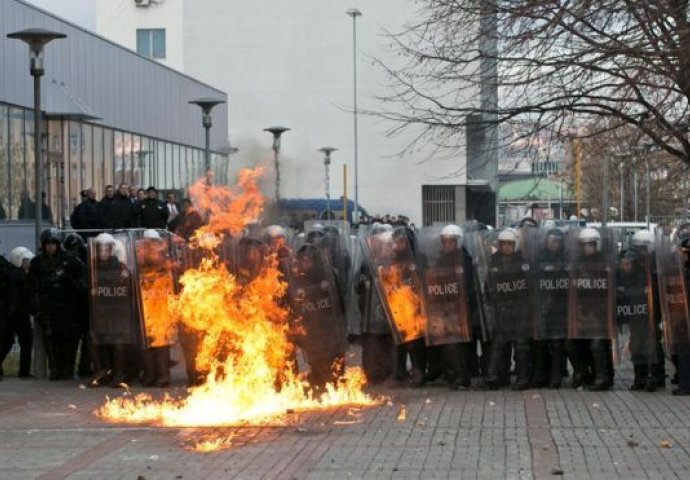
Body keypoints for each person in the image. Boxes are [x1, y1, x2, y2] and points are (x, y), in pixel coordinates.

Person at [423, 224, 475, 390]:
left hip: (458, 309)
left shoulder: (464, 260)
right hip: (443, 309)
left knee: (456, 345)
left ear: (458, 242)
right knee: (446, 344)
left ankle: (461, 376)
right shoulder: (440, 261)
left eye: (450, 242)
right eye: (444, 242)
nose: (446, 245)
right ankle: (451, 374)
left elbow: (468, 286)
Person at [27, 229, 83, 380]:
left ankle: (67, 368)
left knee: (67, 337)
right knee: (50, 338)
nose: (50, 247)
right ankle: (55, 368)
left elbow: (80, 278)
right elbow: (31, 286)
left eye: (53, 244)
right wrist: (34, 308)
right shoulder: (37, 262)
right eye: (48, 244)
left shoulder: (68, 260)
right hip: (46, 305)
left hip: (65, 305)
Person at [481, 228, 533, 390]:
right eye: (503, 244)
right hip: (502, 312)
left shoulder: (523, 263)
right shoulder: (493, 262)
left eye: (510, 244)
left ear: (515, 245)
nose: (506, 247)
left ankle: (523, 379)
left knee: (521, 346)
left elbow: (530, 288)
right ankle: (493, 377)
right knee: (498, 345)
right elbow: (488, 287)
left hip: (520, 311)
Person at [568, 228, 615, 391]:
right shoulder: (576, 264)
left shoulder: (604, 264)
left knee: (597, 345)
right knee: (571, 344)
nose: (588, 248)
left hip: (599, 313)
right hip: (581, 313)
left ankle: (602, 377)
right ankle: (582, 373)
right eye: (584, 245)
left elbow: (610, 290)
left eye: (591, 244)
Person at [88, 233, 137, 387]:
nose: (103, 252)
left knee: (118, 343)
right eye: (100, 248)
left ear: (111, 249)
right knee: (97, 342)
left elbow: (128, 284)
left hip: (118, 310)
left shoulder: (120, 266)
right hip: (100, 312)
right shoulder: (91, 267)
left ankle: (120, 374)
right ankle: (102, 372)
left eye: (106, 248)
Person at [137, 229, 175, 388]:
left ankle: (163, 375)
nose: (150, 246)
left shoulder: (165, 261)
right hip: (145, 308)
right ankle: (150, 374)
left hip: (161, 308)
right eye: (148, 242)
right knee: (146, 344)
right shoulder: (138, 262)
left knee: (162, 344)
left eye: (153, 242)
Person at [532, 228, 568, 389]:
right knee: (540, 344)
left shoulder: (565, 258)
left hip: (559, 308)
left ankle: (556, 377)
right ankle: (540, 375)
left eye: (558, 241)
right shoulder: (539, 258)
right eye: (553, 240)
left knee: (557, 344)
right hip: (542, 307)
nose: (555, 244)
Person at [0, 247, 35, 379]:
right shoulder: (20, 276)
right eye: (25, 260)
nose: (28, 263)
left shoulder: (9, 274)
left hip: (10, 313)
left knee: (7, 341)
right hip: (20, 313)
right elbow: (24, 296)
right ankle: (24, 372)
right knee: (26, 342)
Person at [62, 233, 92, 379]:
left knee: (87, 339)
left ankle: (85, 368)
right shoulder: (67, 261)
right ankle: (68, 368)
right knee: (71, 339)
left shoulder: (87, 259)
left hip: (85, 303)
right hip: (72, 304)